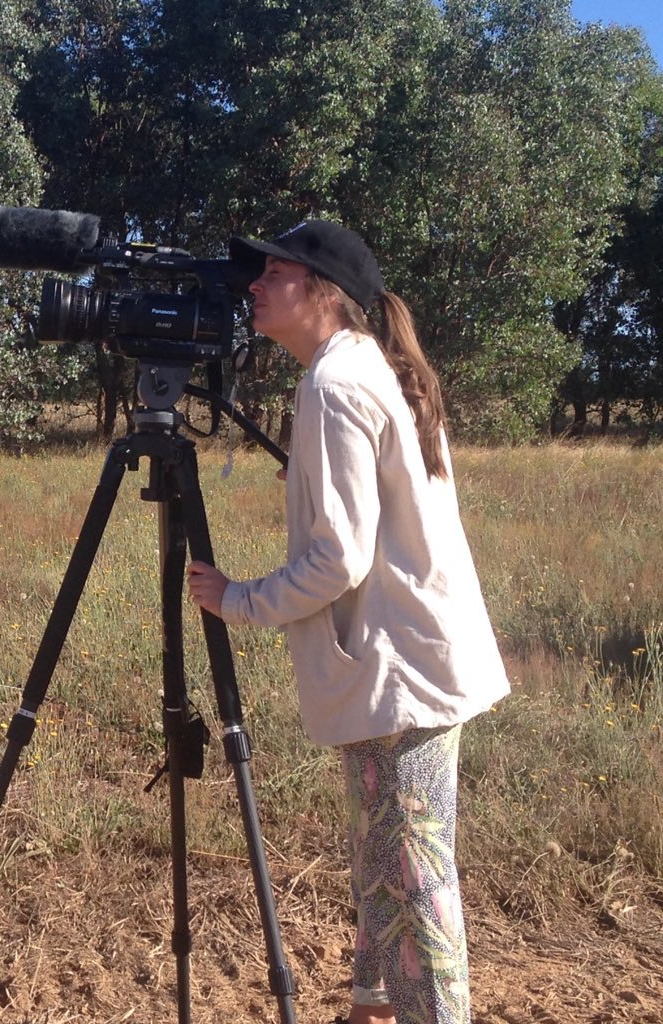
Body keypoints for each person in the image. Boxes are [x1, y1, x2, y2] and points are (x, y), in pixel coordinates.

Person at [186, 220, 510, 1024]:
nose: (254, 283)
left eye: (272, 271)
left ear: (321, 290)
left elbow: (338, 561)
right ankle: (370, 1006)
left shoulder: (333, 386)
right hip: (409, 668)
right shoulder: (365, 370)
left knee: (415, 876)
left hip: (401, 678)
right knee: (387, 852)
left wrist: (238, 598)